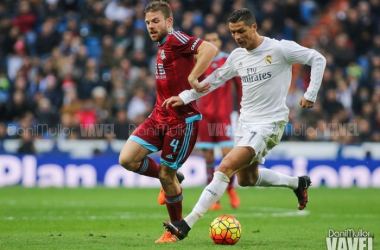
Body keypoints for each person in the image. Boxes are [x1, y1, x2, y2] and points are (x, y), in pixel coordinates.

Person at [161, 8, 326, 241]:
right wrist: (186, 96)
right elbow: (216, 79)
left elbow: (317, 58)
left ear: (254, 27)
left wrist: (311, 92)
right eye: (232, 32)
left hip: (269, 124)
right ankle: (297, 183)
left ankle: (185, 224)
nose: (237, 37)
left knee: (224, 166)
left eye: (241, 31)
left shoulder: (279, 49)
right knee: (247, 179)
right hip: (245, 123)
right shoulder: (237, 56)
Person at [118, 1, 217, 243]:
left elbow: (210, 49)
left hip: (181, 121)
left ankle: (175, 229)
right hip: (159, 115)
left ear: (169, 22)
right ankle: (174, 178)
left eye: (156, 21)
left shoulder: (175, 39)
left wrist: (194, 77)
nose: (151, 26)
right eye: (148, 22)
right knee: (127, 159)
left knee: (165, 173)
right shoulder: (163, 45)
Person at [196, 32, 242, 210]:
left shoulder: (228, 61)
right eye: (208, 41)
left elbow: (239, 87)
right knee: (208, 156)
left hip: (223, 116)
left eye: (215, 40)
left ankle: (230, 189)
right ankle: (213, 198)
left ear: (220, 42)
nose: (212, 43)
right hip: (205, 116)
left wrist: (240, 111)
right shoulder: (200, 60)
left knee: (227, 155)